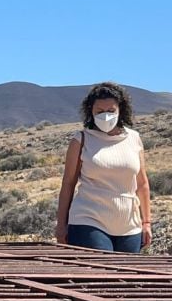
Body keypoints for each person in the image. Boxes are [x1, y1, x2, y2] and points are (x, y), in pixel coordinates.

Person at [56, 82, 151, 252]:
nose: (105, 116)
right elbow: (68, 184)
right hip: (88, 220)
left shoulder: (134, 139)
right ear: (90, 112)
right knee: (101, 271)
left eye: (111, 111)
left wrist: (147, 222)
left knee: (127, 276)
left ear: (120, 110)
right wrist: (61, 225)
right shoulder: (81, 140)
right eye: (100, 111)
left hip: (129, 225)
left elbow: (142, 184)